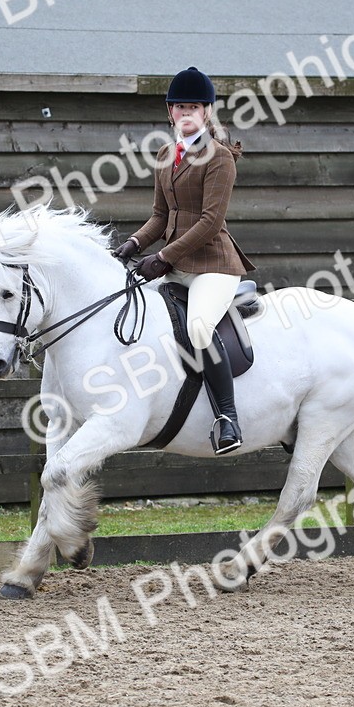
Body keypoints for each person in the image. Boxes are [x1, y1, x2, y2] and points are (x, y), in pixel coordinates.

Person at [112, 66, 255, 455]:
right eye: (179, 106)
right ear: (170, 112)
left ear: (206, 112)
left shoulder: (220, 158)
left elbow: (210, 223)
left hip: (214, 266)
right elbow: (161, 216)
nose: (186, 113)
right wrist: (134, 243)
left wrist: (162, 256)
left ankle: (228, 419)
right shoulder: (164, 154)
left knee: (198, 328)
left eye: (194, 106)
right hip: (176, 266)